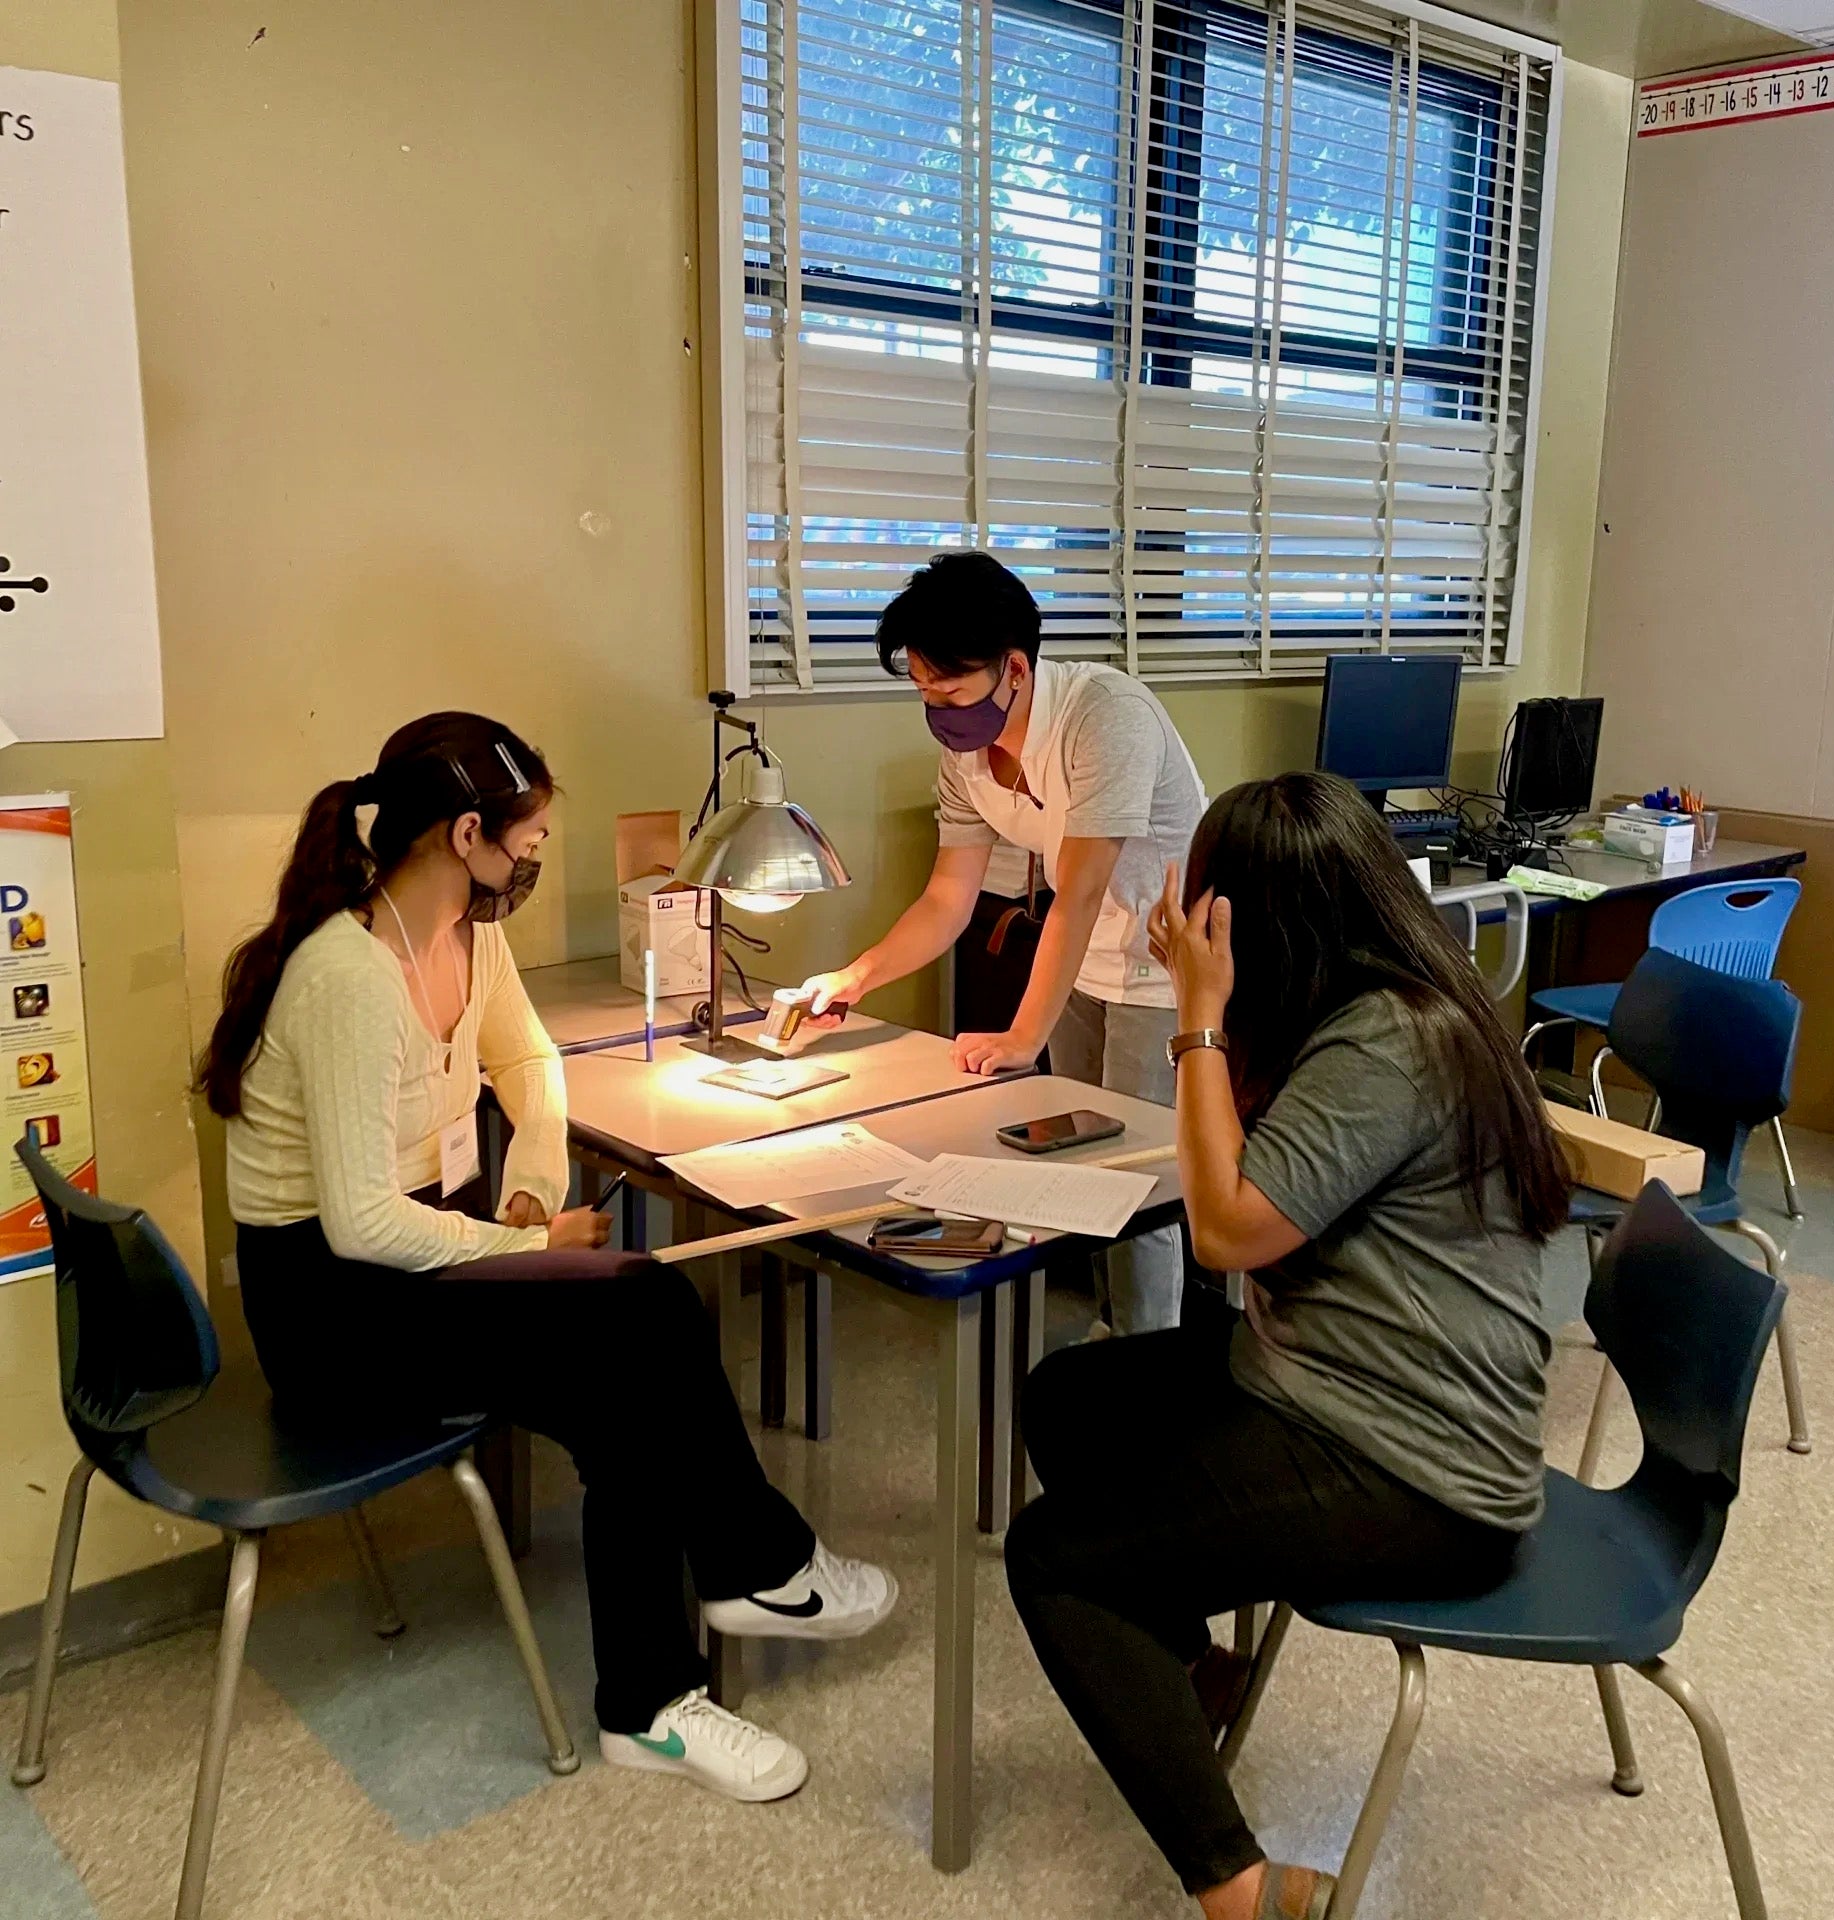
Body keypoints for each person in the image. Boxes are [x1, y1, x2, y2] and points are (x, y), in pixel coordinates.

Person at [201, 712, 895, 1804]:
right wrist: (527, 1238)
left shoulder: (466, 934)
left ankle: (666, 1685)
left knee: (633, 1359)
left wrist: (536, 1174)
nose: (531, 864)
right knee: (645, 1315)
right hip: (328, 1310)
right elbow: (359, 1226)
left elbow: (527, 1057)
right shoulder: (349, 973)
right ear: (464, 833)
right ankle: (751, 1572)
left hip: (408, 1264)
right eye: (524, 845)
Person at [1004, 771, 1570, 1920]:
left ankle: (1242, 1887)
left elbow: (1226, 1232)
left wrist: (1197, 1018)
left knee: (1054, 1556)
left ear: (1259, 923)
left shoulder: (1391, 1045)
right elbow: (1257, 1181)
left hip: (1415, 1464)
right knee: (1069, 1398)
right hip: (1334, 1379)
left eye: (1213, 910)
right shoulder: (1371, 1006)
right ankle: (1187, 1668)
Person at [800, 551, 1207, 1336]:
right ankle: (1110, 1330)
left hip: (1169, 962)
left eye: (949, 687)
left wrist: (1027, 1035)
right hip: (1083, 960)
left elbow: (1082, 886)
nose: (937, 707)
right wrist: (856, 976)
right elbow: (948, 896)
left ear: (1014, 667)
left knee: (1145, 1179)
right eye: (922, 689)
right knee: (1089, 1167)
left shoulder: (1105, 714)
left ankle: (1150, 1353)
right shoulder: (963, 754)